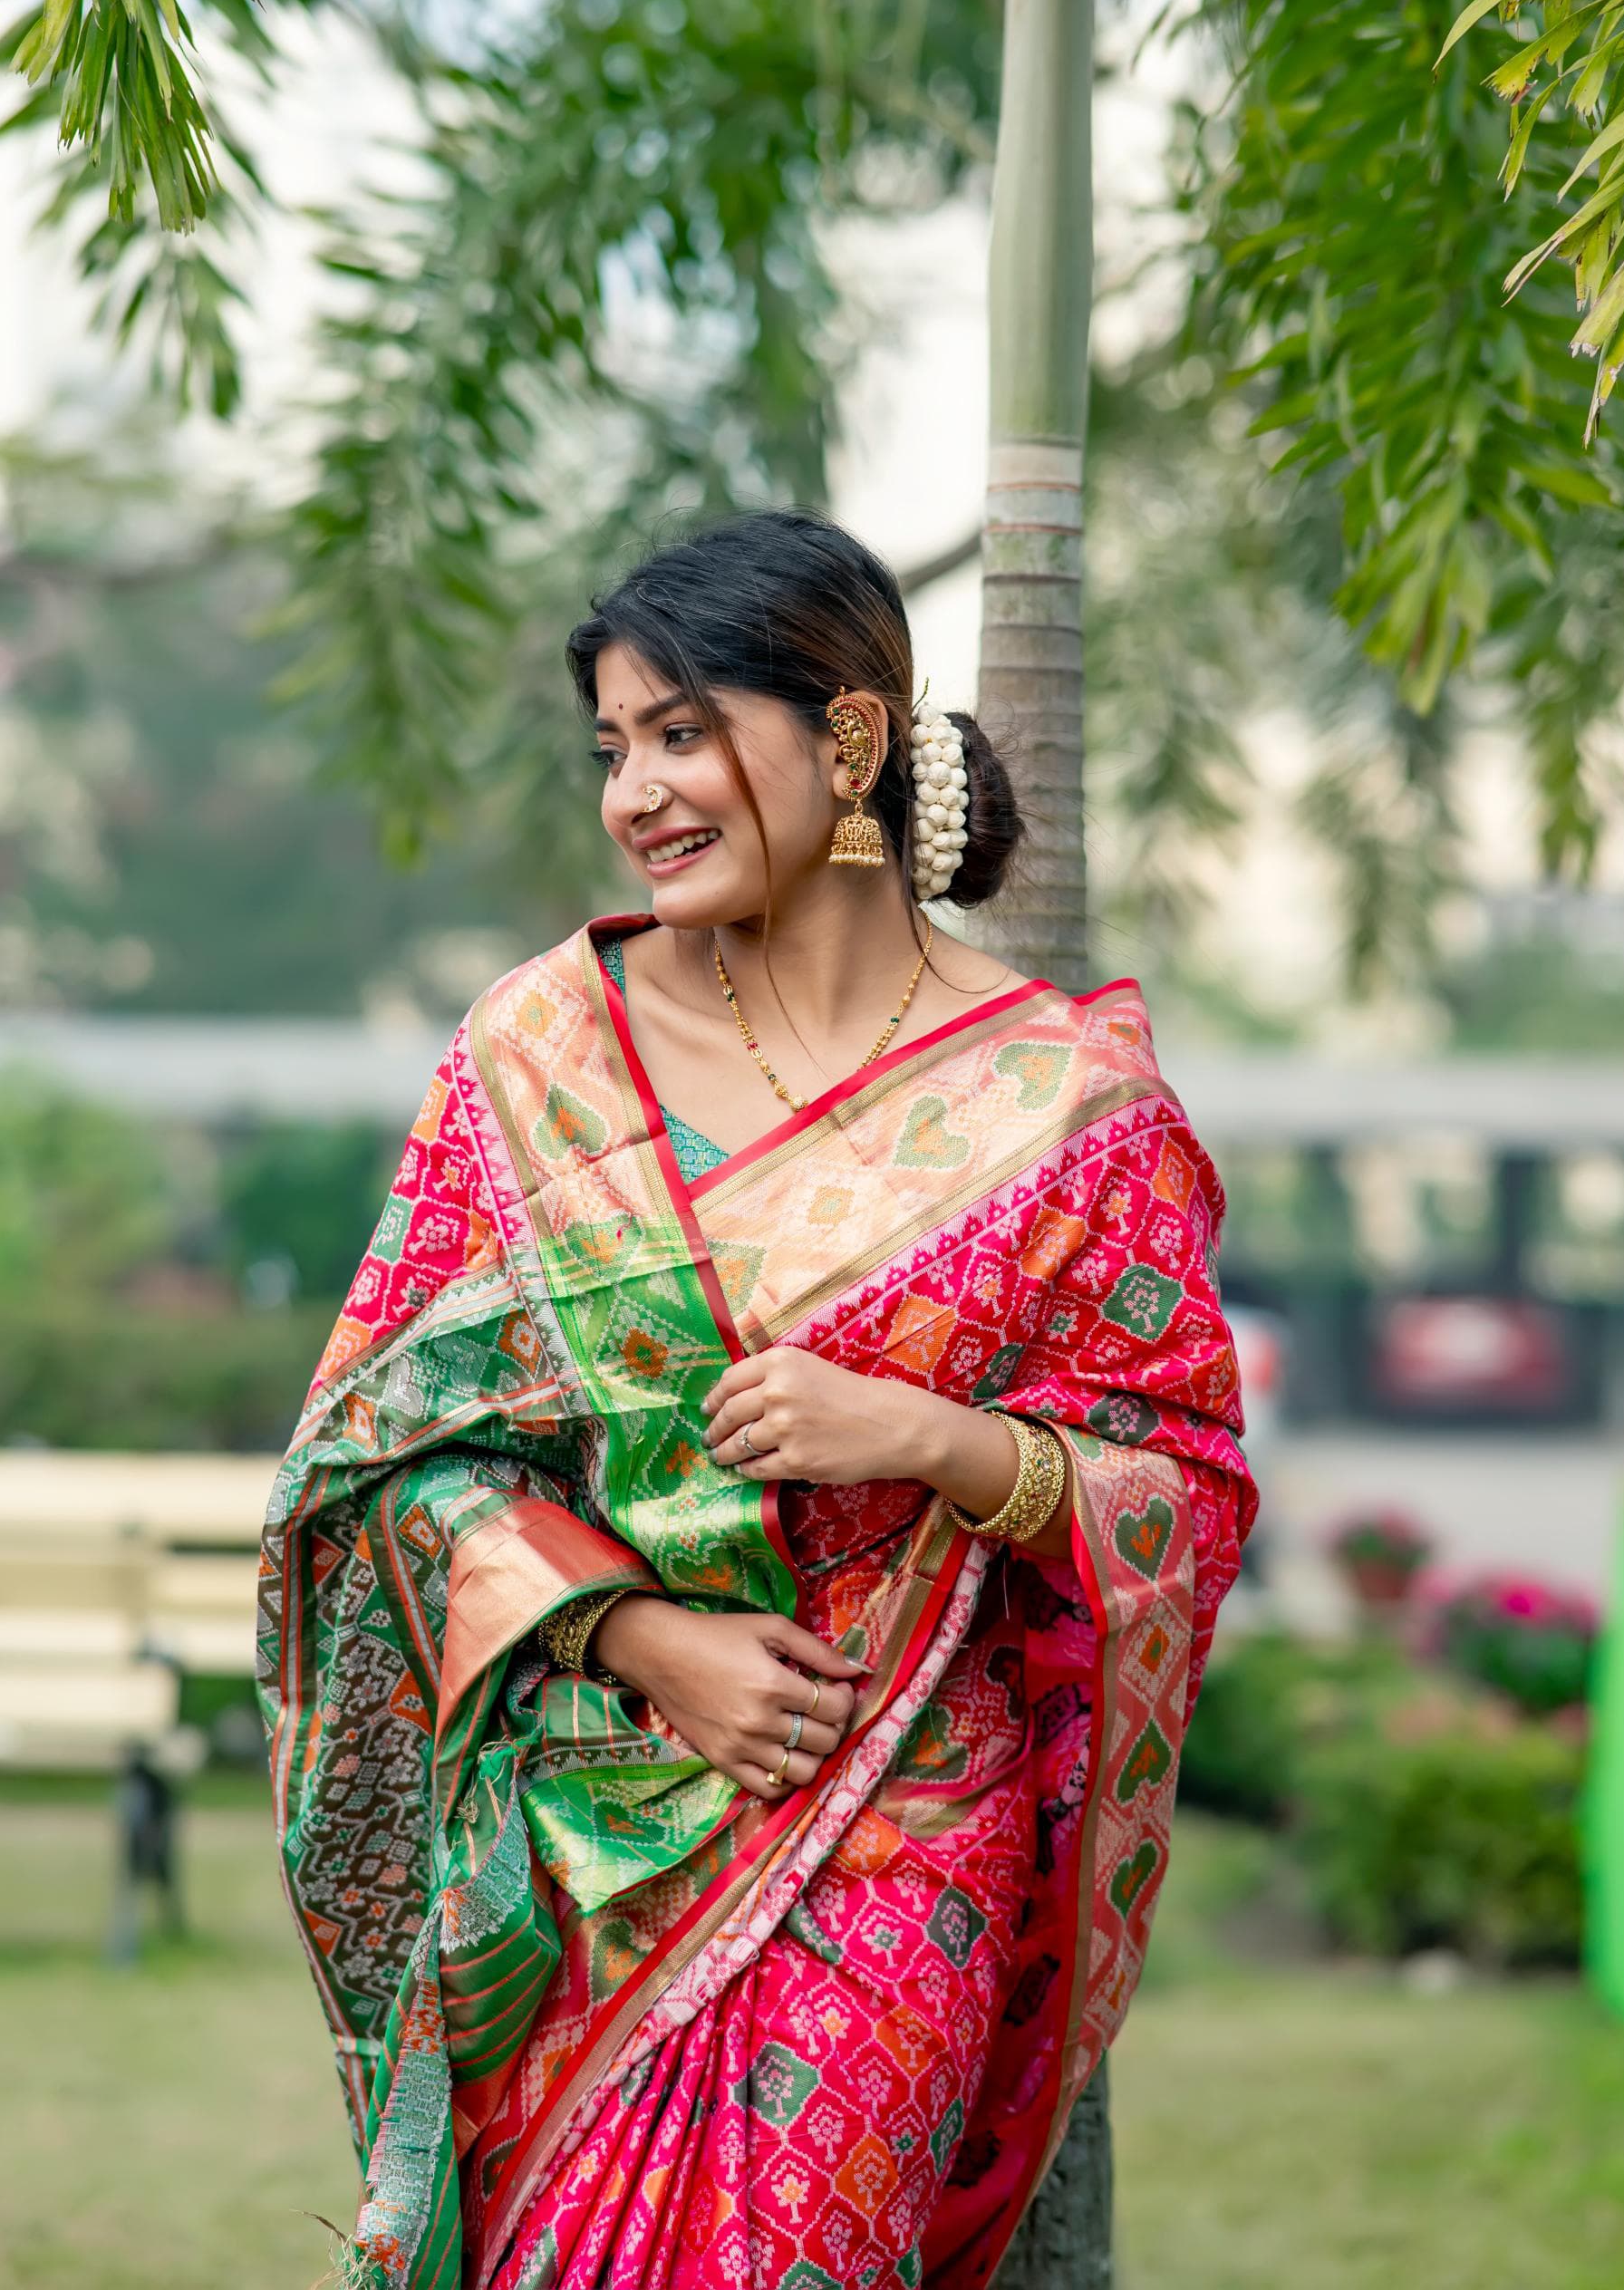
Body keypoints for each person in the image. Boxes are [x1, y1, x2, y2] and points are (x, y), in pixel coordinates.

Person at [260, 510, 1254, 2290]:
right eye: (612, 749)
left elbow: (1177, 1488)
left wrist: (942, 1445)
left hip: (891, 1848)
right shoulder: (537, 1052)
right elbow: (384, 1458)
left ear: (852, 739)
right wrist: (638, 1637)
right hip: (577, 1838)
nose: (634, 792)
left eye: (680, 731)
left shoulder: (1062, 1106)